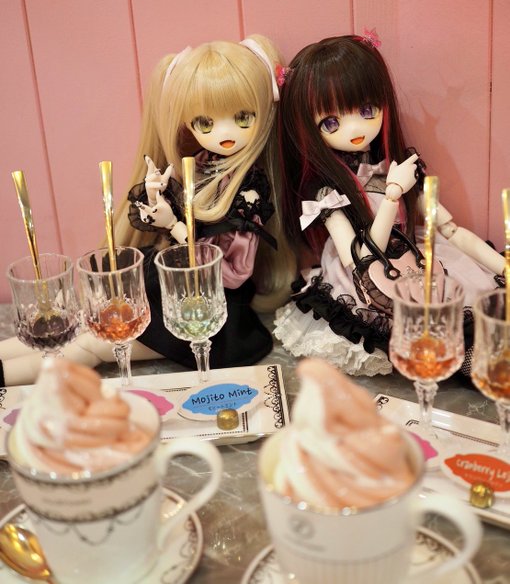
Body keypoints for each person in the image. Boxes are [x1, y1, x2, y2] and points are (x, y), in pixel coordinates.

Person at [1, 35, 287, 386]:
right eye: (205, 123)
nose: (224, 133)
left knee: (91, 347)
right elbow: (172, 218)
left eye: (243, 118)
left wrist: (176, 226)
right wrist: (157, 200)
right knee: (78, 329)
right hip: (172, 290)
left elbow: (234, 273)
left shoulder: (250, 191)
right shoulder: (197, 165)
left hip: (212, 309)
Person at [273, 32, 505, 377]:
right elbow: (359, 260)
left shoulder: (397, 165)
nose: (355, 127)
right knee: (436, 346)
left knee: (467, 317)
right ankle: (473, 368)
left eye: (367, 110)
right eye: (331, 122)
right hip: (363, 279)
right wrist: (392, 196)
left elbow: (451, 230)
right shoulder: (326, 189)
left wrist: (502, 266)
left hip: (415, 257)